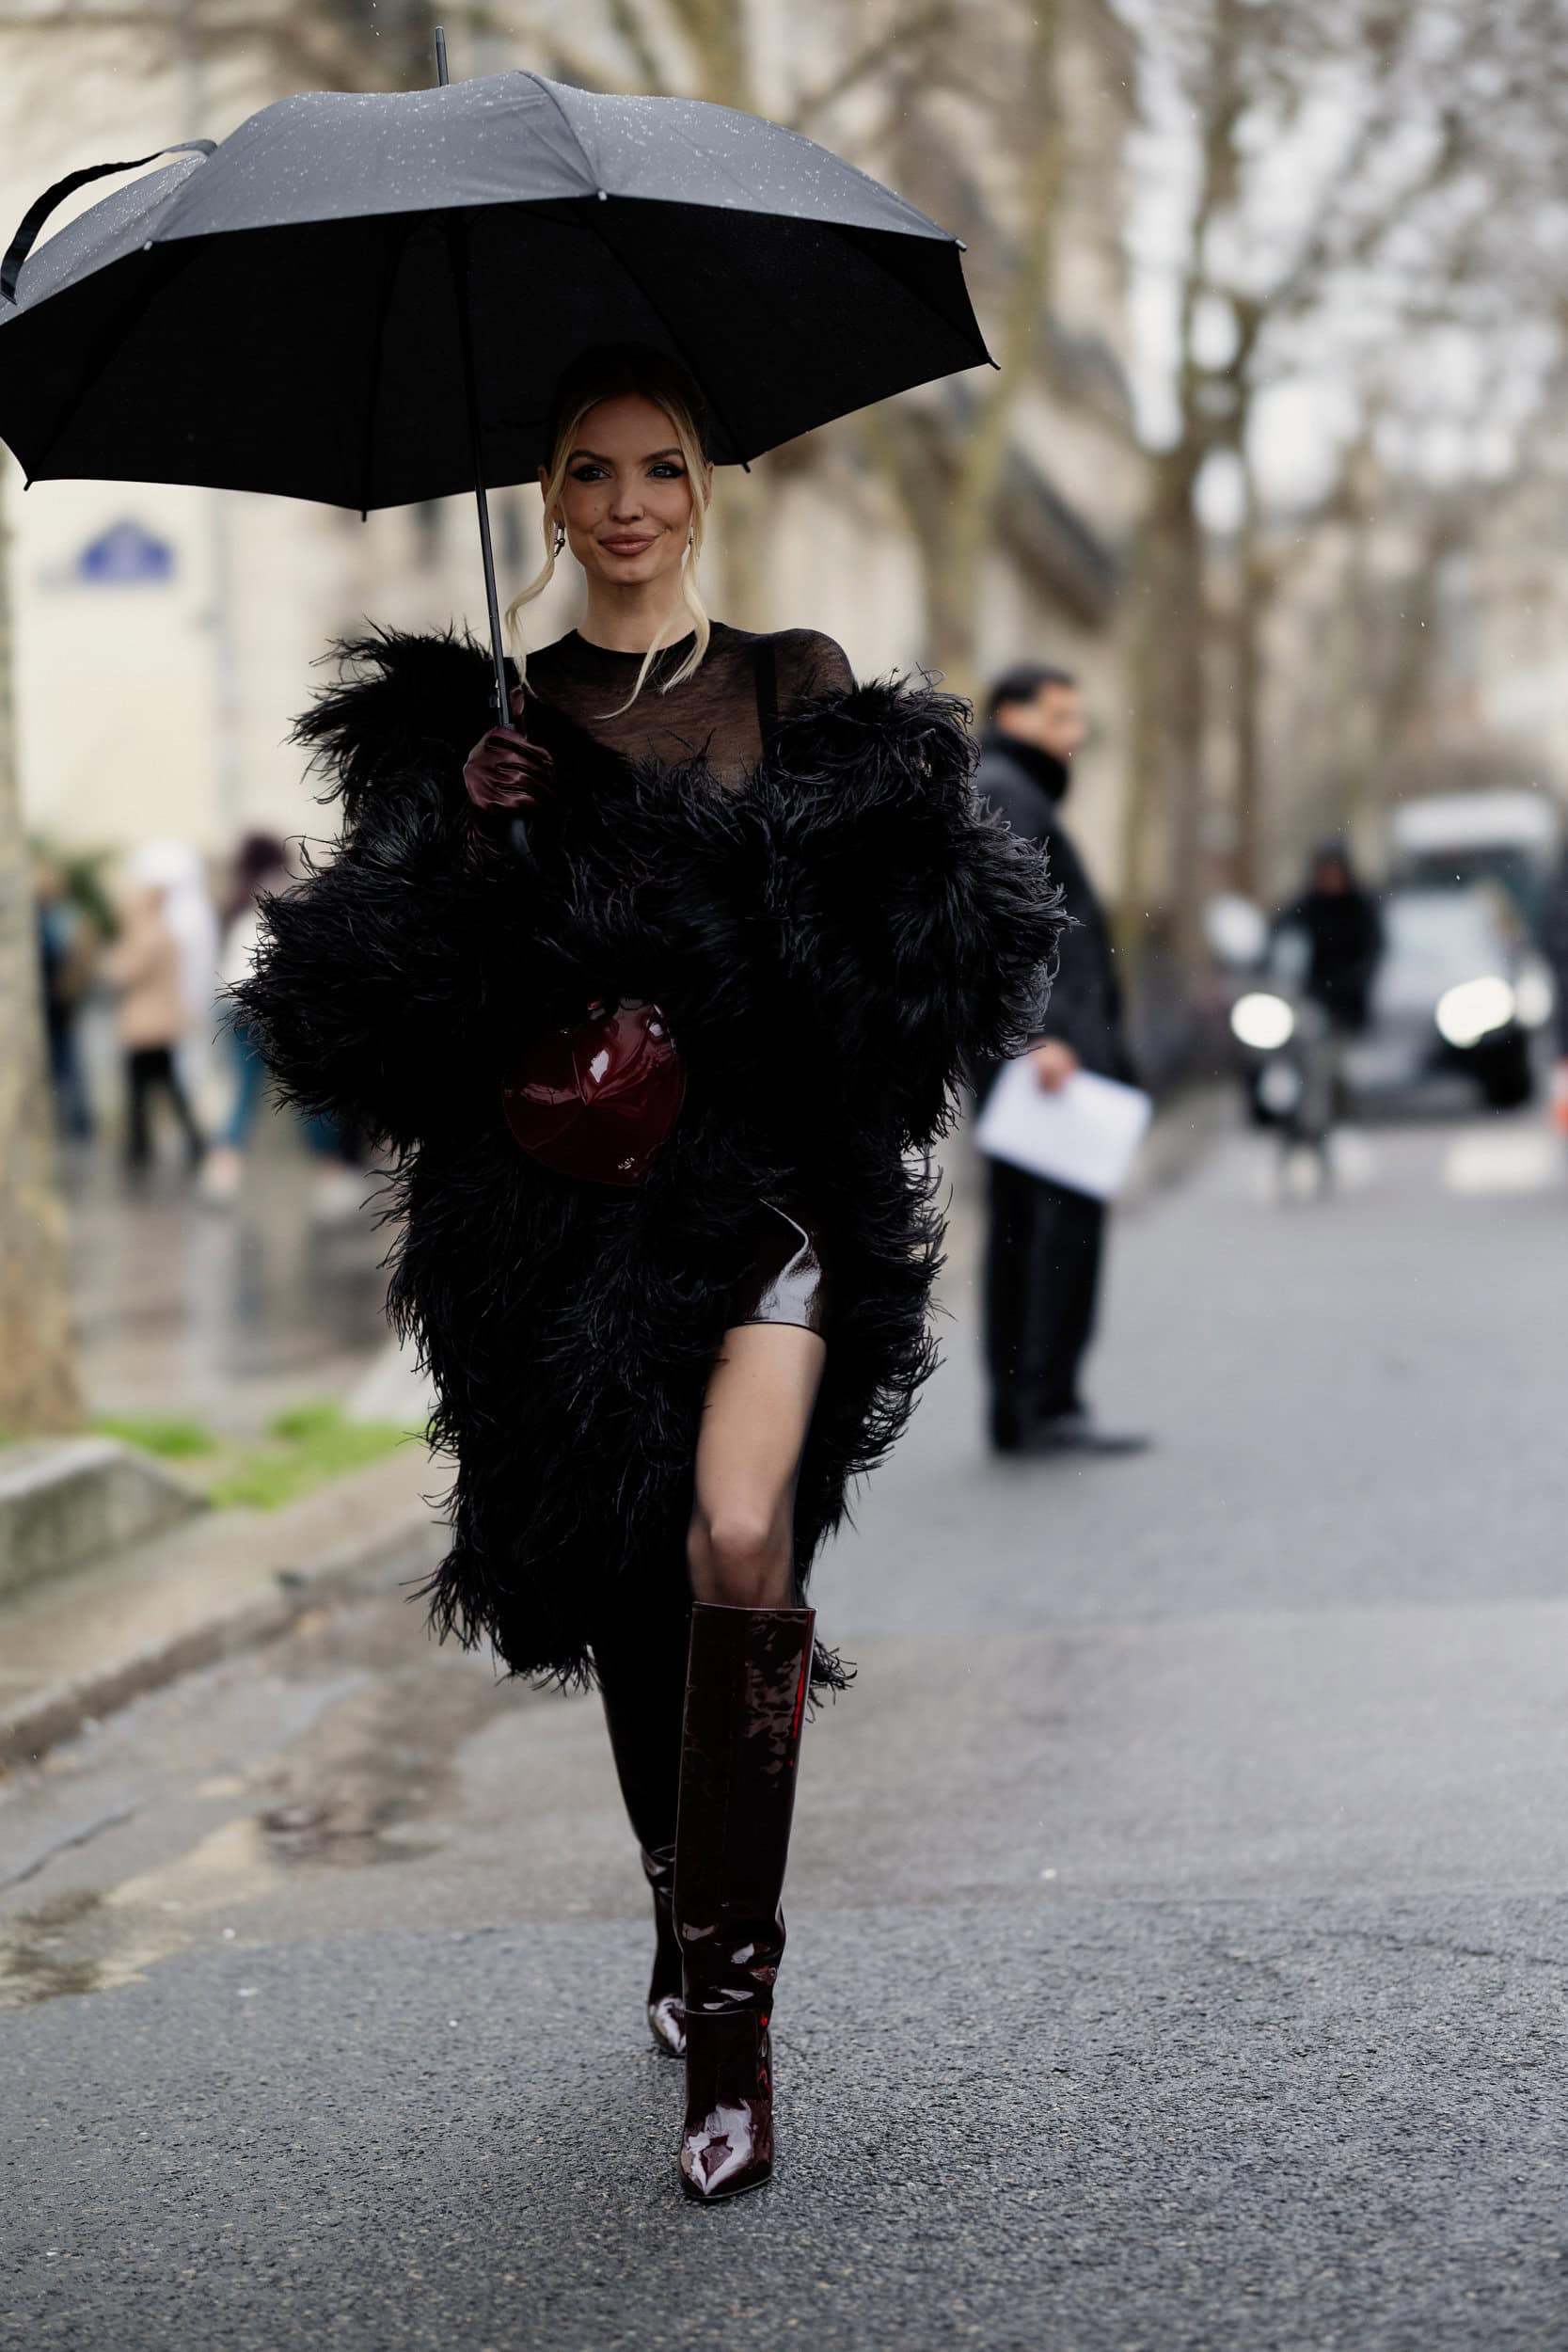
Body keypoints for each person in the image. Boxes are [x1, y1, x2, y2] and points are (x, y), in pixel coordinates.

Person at [235, 346, 1058, 2202]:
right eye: (593, 472)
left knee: (736, 1540)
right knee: (628, 1591)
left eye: (661, 468)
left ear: (704, 488)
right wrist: (473, 844)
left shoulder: (792, 683)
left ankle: (736, 2030)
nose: (628, 505)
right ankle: (680, 1904)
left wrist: (763, 894)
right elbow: (363, 1016)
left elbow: (911, 955)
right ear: (548, 499)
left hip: (762, 1196)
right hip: (564, 1225)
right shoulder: (494, 718)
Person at [974, 663, 1148, 1459]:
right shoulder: (1008, 791)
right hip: (1049, 1058)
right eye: (1059, 718)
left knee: (1024, 1226)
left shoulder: (1006, 789)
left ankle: (1024, 1406)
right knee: (1053, 1230)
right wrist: (1037, 1033)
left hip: (1040, 1051)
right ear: (1010, 715)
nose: (1074, 736)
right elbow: (1007, 925)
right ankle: (1043, 1402)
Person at [201, 834, 291, 1205]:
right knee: (310, 1094)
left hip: (233, 1002)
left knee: (242, 1089)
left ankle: (222, 1172)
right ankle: (333, 1175)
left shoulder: (236, 898)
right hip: (270, 1002)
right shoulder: (282, 889)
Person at [104, 878, 206, 1173]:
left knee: (141, 1088)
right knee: (166, 1083)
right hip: (162, 1021)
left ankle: (140, 1146)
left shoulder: (145, 937)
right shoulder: (165, 932)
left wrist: (114, 956)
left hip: (145, 1024)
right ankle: (186, 1140)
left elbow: (120, 974)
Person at [1276, 839, 1384, 1035]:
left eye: (1334, 871)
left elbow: (1375, 948)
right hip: (1312, 994)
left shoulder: (1360, 906)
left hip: (1351, 999)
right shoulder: (1309, 904)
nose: (1330, 878)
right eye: (1324, 872)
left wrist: (1356, 977)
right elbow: (1279, 930)